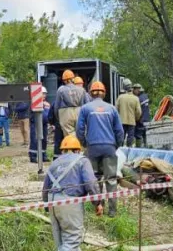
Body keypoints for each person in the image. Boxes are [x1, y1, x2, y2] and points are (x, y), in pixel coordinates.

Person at [41, 135, 102, 251]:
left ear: (62, 150)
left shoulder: (55, 163)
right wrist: (98, 203)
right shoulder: (82, 161)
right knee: (73, 239)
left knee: (64, 242)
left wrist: (48, 207)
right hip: (70, 201)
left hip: (53, 202)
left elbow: (45, 188)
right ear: (78, 149)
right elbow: (90, 183)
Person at [76, 81, 123, 217]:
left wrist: (85, 143)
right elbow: (119, 131)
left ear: (91, 93)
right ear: (104, 93)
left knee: (95, 178)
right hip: (109, 147)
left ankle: (98, 207)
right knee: (111, 179)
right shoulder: (112, 109)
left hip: (93, 147)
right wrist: (115, 145)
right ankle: (112, 212)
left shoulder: (85, 108)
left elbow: (79, 129)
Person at [55, 69, 88, 140]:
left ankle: (71, 150)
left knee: (69, 137)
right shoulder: (81, 89)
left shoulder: (60, 90)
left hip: (65, 114)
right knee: (81, 135)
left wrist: (58, 117)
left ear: (64, 80)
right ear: (73, 79)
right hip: (79, 112)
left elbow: (56, 106)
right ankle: (81, 150)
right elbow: (87, 104)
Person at [115, 81, 142, 147]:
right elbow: (139, 112)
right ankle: (129, 151)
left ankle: (120, 150)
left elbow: (115, 110)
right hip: (132, 121)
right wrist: (136, 118)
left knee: (121, 137)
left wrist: (118, 118)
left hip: (121, 121)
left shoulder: (120, 97)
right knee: (130, 138)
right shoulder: (136, 98)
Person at [133, 83, 150, 147]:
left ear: (137, 90)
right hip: (147, 119)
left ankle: (138, 149)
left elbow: (138, 111)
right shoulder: (145, 96)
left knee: (138, 136)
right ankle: (146, 148)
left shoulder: (138, 99)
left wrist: (136, 119)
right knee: (145, 135)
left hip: (141, 120)